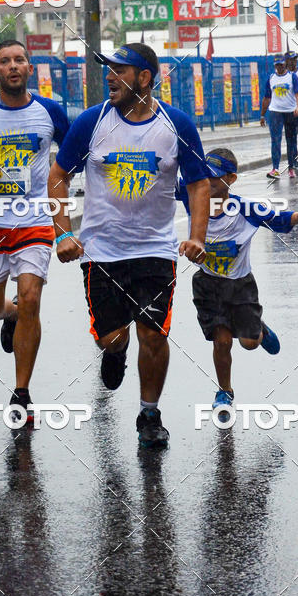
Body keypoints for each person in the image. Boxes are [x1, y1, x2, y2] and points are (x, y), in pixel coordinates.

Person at [48, 42, 210, 448]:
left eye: (120, 70)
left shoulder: (177, 126)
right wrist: (64, 232)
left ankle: (149, 414)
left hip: (155, 250)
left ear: (145, 78)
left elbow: (199, 183)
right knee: (112, 337)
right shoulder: (91, 122)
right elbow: (57, 176)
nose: (110, 77)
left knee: (153, 335)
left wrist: (197, 236)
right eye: (109, 70)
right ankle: (115, 351)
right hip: (101, 252)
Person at [0, 40, 69, 422]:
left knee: (31, 298)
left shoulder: (50, 111)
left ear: (30, 68)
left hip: (33, 220)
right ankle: (9, 315)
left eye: (19, 60)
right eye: (4, 61)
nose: (13, 66)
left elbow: (75, 155)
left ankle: (21, 392)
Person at [177, 147, 298, 418]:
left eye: (214, 178)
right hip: (207, 284)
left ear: (231, 179)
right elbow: (159, 183)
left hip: (240, 285)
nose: (207, 182)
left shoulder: (245, 209)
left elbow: (281, 219)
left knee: (248, 342)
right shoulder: (191, 196)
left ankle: (259, 330)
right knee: (221, 340)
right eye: (203, 176)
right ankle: (224, 391)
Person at [260, 55, 298, 179]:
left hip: (290, 112)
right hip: (275, 112)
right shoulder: (271, 78)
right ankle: (275, 169)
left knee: (291, 140)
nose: (280, 67)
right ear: (275, 66)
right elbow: (267, 98)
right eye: (277, 65)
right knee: (275, 140)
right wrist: (262, 115)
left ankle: (291, 167)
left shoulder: (292, 77)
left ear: (285, 65)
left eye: (281, 65)